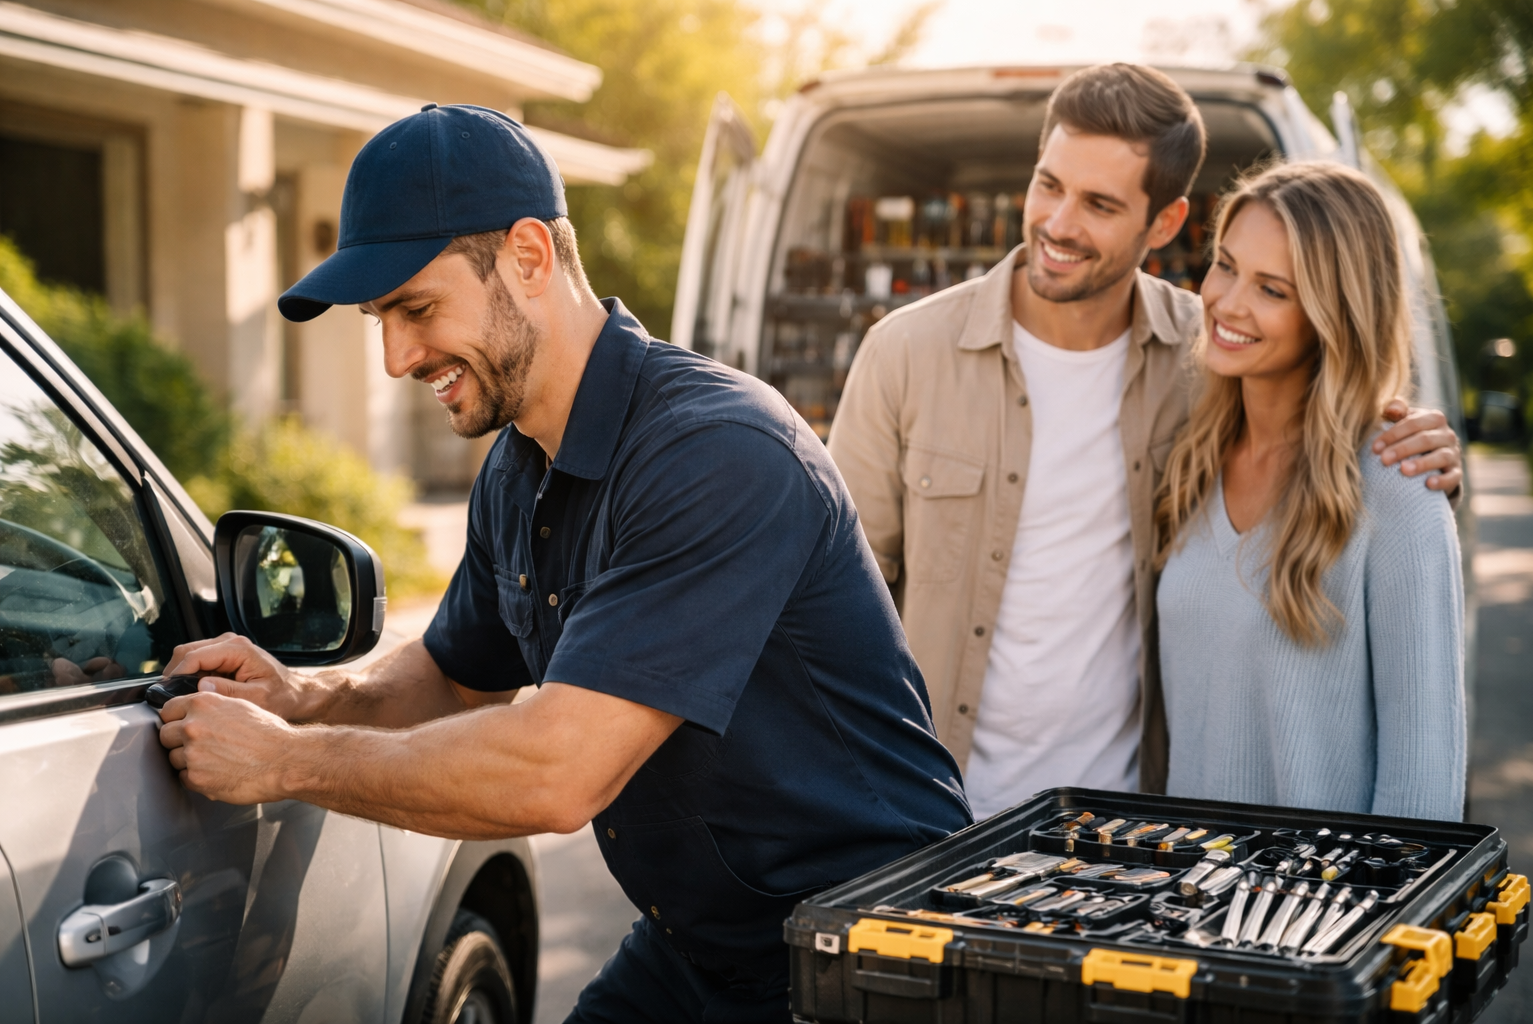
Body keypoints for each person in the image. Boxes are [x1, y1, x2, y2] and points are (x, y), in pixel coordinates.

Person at [155, 103, 971, 1022]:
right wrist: (305, 699)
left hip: (876, 957)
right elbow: (454, 676)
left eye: (416, 308)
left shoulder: (719, 452)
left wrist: (288, 762)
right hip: (700, 950)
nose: (394, 357)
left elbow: (556, 774)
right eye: (377, 318)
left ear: (531, 256)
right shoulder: (518, 468)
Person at [827, 64, 1463, 818]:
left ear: (1163, 225)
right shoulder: (906, 353)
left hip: (1137, 849)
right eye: (1049, 185)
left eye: (1099, 203)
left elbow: (1327, 393)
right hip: (940, 822)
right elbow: (833, 613)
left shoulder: (1201, 362)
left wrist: (1410, 446)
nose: (1059, 224)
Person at [1155, 162, 1465, 819]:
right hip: (1182, 910)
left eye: (1272, 289)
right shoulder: (1193, 463)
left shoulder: (1400, 489)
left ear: (1334, 314)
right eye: (1226, 264)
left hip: (1320, 916)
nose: (1229, 302)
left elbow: (1424, 790)